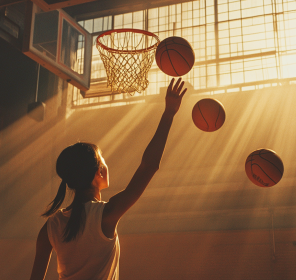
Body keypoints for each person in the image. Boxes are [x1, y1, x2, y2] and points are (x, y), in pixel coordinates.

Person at [29, 78, 187, 280]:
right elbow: (149, 166)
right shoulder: (106, 214)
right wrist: (168, 114)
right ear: (99, 173)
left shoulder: (51, 226)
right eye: (104, 162)